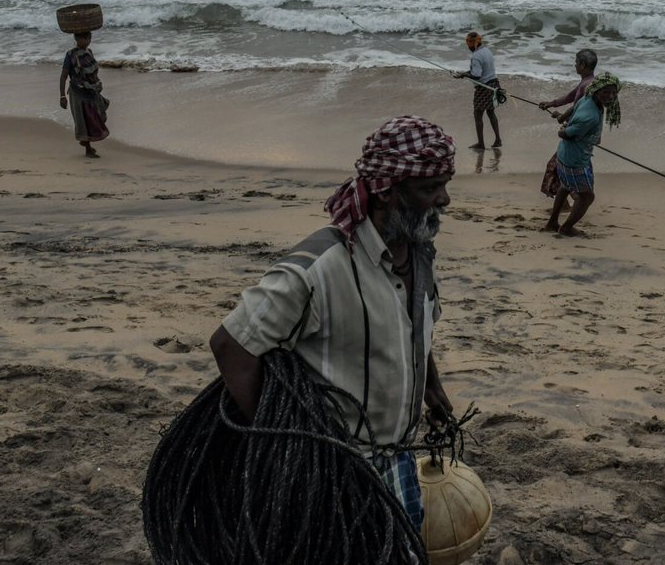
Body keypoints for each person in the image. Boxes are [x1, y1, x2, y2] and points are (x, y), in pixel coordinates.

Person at [209, 116, 458, 531]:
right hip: (335, 473)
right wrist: (288, 447)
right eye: (431, 188)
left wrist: (431, 388)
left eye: (446, 185)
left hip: (397, 459)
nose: (445, 199)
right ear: (386, 192)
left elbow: (418, 328)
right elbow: (232, 345)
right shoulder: (319, 267)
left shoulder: (420, 255)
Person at [542, 72, 621, 238]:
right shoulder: (590, 116)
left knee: (565, 186)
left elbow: (573, 107)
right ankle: (566, 228)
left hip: (564, 155)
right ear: (597, 90)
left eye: (614, 93)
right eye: (606, 92)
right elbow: (565, 134)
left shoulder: (588, 97)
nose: (611, 97)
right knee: (586, 197)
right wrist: (569, 130)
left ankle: (552, 223)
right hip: (575, 160)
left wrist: (563, 117)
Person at [539, 48, 597, 200]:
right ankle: (572, 200)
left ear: (583, 65)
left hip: (575, 134)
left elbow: (578, 107)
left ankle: (577, 201)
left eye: (576, 62)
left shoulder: (588, 85)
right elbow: (571, 96)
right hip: (574, 130)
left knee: (558, 167)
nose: (575, 65)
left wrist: (561, 116)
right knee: (562, 168)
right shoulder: (586, 82)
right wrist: (552, 103)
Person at [58, 31, 110, 157]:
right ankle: (88, 149)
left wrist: (97, 84)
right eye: (84, 38)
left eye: (88, 38)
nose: (87, 40)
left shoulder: (89, 52)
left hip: (91, 91)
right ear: (76, 39)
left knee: (97, 116)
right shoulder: (71, 55)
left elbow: (92, 72)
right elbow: (64, 76)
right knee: (84, 120)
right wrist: (62, 96)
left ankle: (85, 143)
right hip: (78, 93)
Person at [453, 31, 502, 150]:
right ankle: (498, 139)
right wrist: (463, 74)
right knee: (491, 112)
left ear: (473, 44)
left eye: (468, 44)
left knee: (477, 114)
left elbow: (477, 76)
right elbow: (481, 71)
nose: (468, 47)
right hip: (494, 84)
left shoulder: (476, 56)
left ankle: (481, 144)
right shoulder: (487, 51)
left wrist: (464, 74)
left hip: (483, 87)